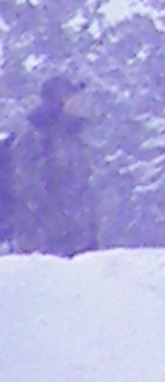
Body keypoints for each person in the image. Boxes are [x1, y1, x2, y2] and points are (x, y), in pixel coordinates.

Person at [3, 74, 98, 257]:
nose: (79, 104)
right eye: (73, 98)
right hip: (44, 248)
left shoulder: (71, 138)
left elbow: (79, 191)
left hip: (75, 244)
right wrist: (53, 232)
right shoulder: (34, 139)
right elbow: (29, 192)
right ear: (58, 102)